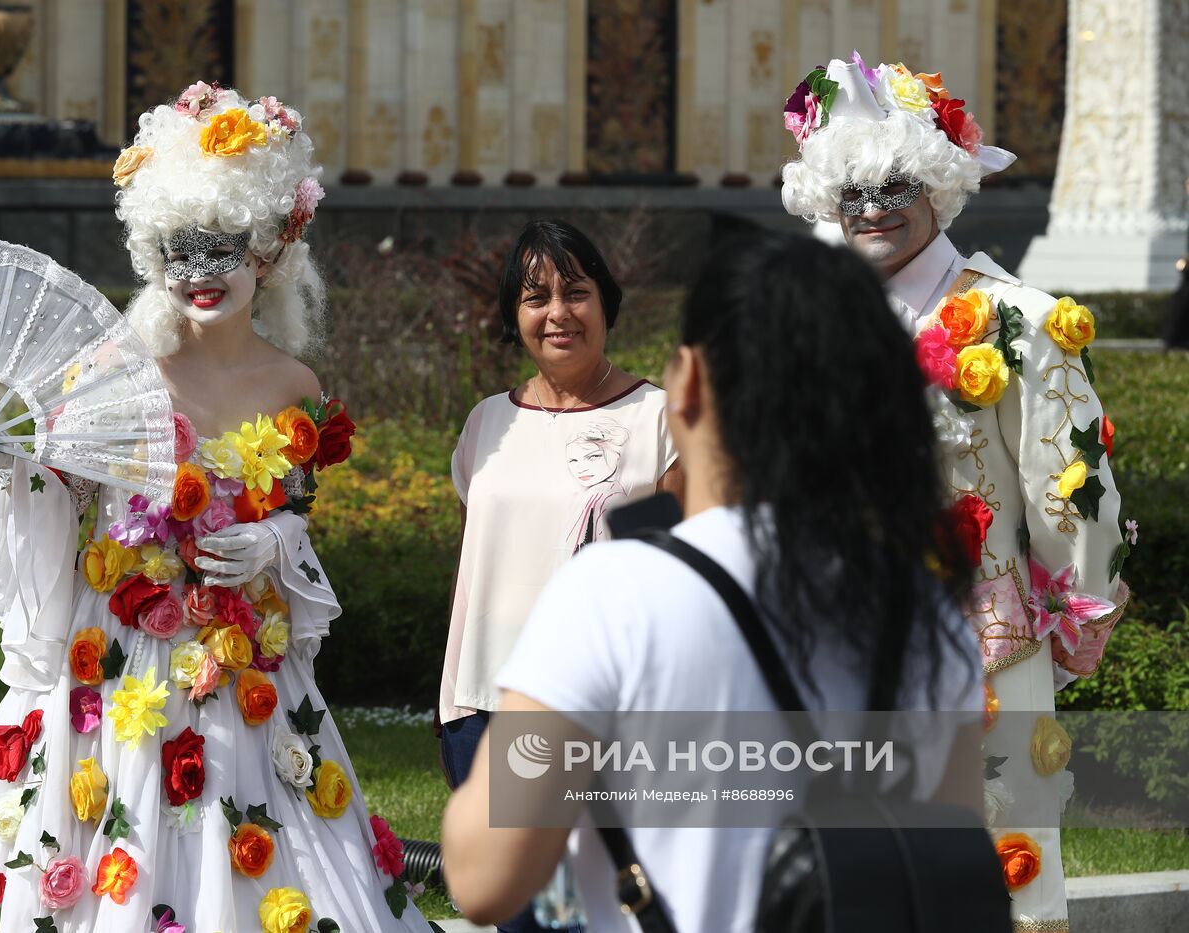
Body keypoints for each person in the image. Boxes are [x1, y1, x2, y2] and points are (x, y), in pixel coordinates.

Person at [0, 83, 432, 932]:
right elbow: (57, 490)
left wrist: (272, 540)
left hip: (245, 653)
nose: (200, 272)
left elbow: (299, 509)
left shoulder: (296, 385)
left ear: (270, 250)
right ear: (150, 248)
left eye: (222, 246)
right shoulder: (112, 369)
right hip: (119, 650)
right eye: (178, 247)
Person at [440, 231, 987, 931]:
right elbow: (950, 866)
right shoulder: (926, 613)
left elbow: (483, 877)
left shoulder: (613, 595)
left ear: (689, 382)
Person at [780, 55, 1131, 932]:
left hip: (982, 645)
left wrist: (1073, 619)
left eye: (895, 184)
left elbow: (1071, 494)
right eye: (852, 191)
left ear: (941, 186)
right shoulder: (812, 321)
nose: (871, 209)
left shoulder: (1019, 320)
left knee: (997, 867)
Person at [438, 219, 682, 931]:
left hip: (593, 710)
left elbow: (676, 577)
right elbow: (476, 556)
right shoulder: (488, 423)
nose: (557, 313)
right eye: (535, 296)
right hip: (480, 703)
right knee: (516, 911)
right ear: (514, 315)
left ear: (607, 303)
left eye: (576, 292)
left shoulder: (657, 419)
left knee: (590, 911)